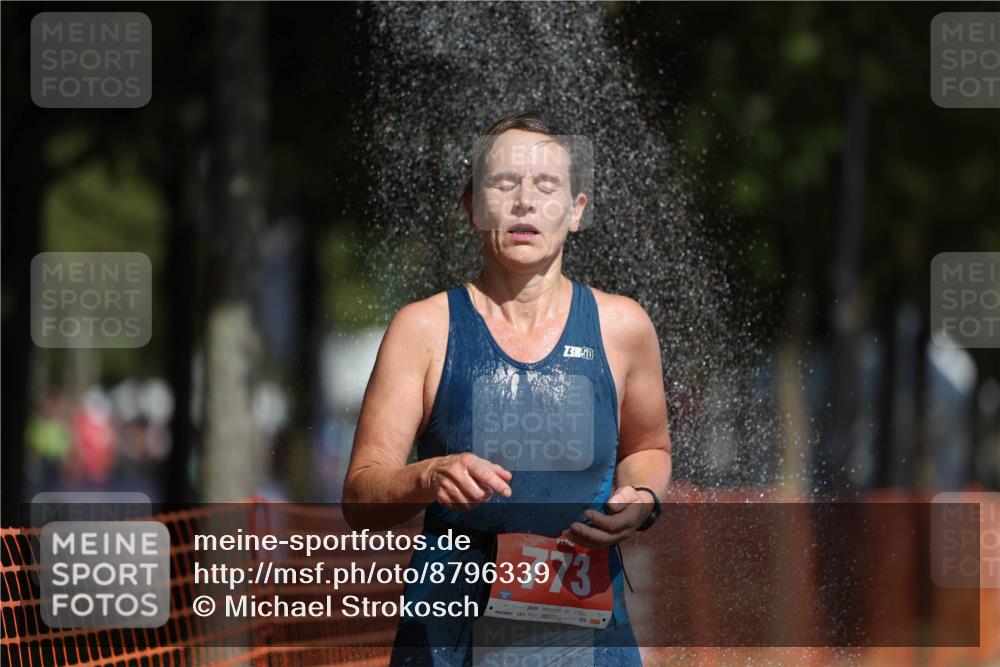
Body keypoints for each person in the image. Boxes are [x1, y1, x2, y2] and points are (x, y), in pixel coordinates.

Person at [344, 112, 671, 666]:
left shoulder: (622, 328)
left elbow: (648, 449)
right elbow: (361, 496)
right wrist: (428, 475)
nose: (524, 201)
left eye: (546, 187)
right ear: (473, 207)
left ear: (576, 211)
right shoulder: (423, 329)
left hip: (588, 640)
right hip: (449, 641)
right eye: (503, 183)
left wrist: (640, 501)